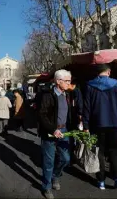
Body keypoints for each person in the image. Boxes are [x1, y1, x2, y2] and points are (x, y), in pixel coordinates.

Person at [82, 64, 117, 190]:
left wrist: (86, 125)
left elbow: (86, 108)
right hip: (113, 124)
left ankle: (101, 181)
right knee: (114, 151)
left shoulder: (89, 85)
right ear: (108, 72)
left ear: (97, 73)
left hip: (96, 124)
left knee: (100, 153)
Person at [39, 69, 72, 199]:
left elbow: (68, 114)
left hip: (64, 131)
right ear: (58, 81)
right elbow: (42, 115)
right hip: (50, 132)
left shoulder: (67, 95)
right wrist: (53, 129)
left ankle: (55, 176)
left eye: (70, 80)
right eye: (67, 81)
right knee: (49, 161)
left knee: (66, 158)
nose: (69, 83)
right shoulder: (48, 95)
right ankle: (46, 187)